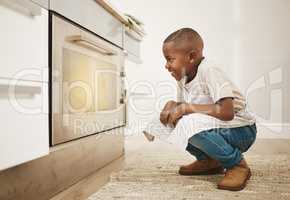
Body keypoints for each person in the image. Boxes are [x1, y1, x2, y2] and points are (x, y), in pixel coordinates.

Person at [160, 28, 257, 191]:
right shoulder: (183, 78)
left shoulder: (210, 71)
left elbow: (227, 112)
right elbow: (191, 108)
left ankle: (237, 165)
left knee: (189, 123)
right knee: (175, 119)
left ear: (191, 57)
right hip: (219, 128)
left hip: (241, 130)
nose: (166, 65)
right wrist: (173, 105)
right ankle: (209, 161)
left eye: (170, 59)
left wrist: (185, 108)